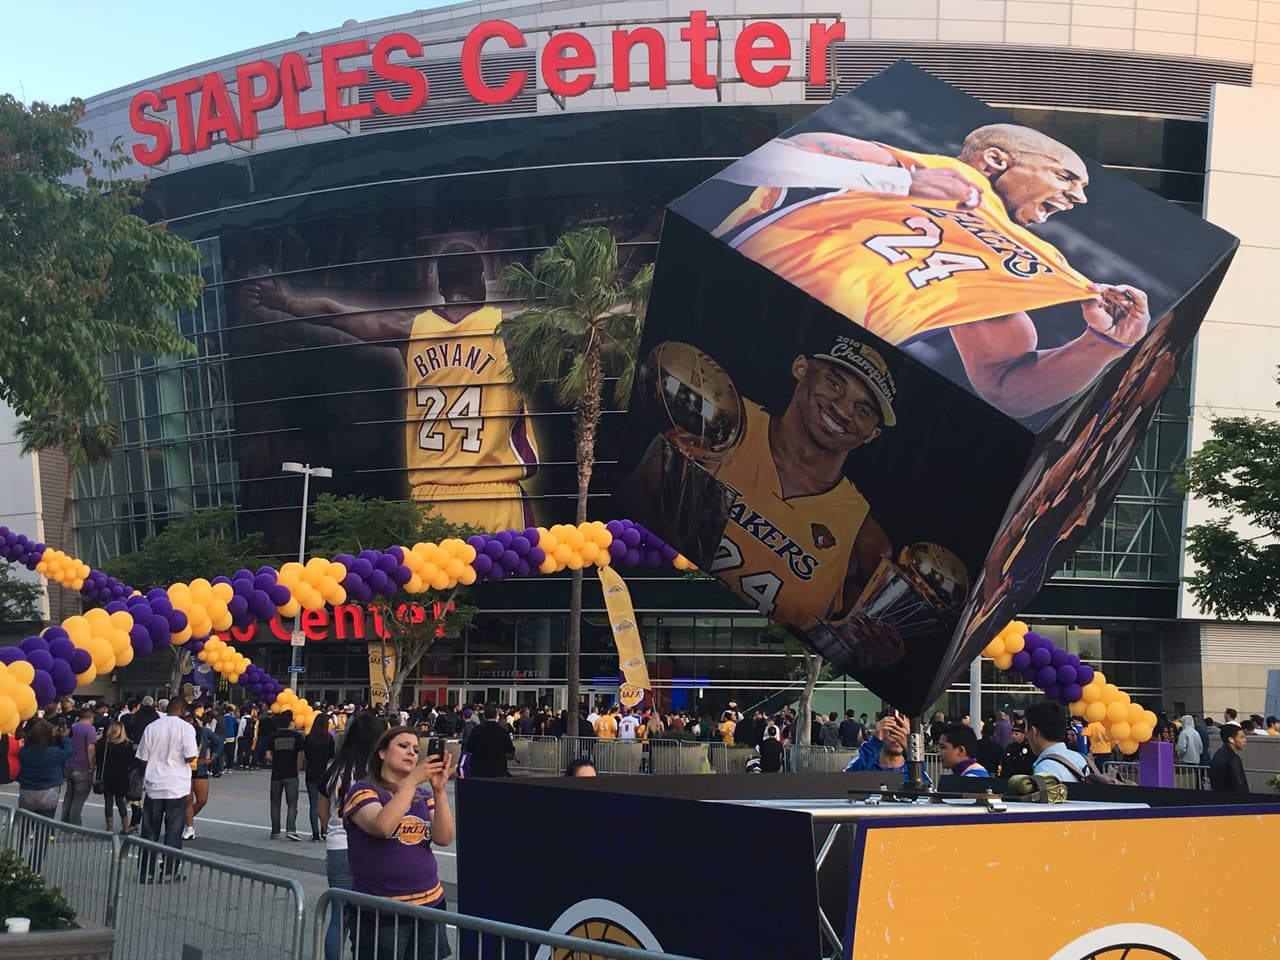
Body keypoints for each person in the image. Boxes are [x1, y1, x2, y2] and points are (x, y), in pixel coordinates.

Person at [708, 124, 1151, 421]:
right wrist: (900, 184)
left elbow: (1006, 388)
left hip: (804, 379)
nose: (1079, 198)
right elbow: (748, 164)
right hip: (728, 300)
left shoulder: (1026, 262)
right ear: (995, 161)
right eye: (1066, 178)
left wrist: (1102, 344)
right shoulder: (903, 166)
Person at [247, 243, 539, 532]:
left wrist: (284, 302)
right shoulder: (505, 327)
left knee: (439, 577)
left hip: (432, 499)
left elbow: (332, 312)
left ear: (439, 286)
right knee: (509, 575)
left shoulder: (409, 328)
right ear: (480, 282)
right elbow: (560, 320)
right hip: (493, 496)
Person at [626, 336, 895, 641]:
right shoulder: (719, 422)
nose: (844, 411)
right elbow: (629, 513)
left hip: (764, 663)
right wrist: (666, 470)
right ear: (800, 368)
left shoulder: (864, 537)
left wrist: (870, 652)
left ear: (872, 434)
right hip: (661, 632)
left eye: (863, 410)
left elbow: (840, 645)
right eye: (834, 384)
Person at [343, 726, 455, 958]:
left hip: (430, 904)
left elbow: (444, 837)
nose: (411, 753)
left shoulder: (422, 795)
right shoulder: (363, 790)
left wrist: (440, 791)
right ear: (382, 753)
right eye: (403, 746)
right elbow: (382, 826)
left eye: (415, 749)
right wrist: (411, 782)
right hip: (382, 911)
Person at [319, 712, 388, 960]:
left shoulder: (334, 766)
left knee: (338, 919)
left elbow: (322, 810)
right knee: (372, 917)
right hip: (367, 847)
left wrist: (332, 830)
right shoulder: (377, 770)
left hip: (337, 845)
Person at [135, 698, 199, 881]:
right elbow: (189, 756)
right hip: (177, 787)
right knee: (173, 831)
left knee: (149, 831)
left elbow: (142, 757)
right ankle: (170, 871)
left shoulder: (152, 727)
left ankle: (146, 872)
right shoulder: (187, 728)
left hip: (155, 785)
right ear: (181, 710)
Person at [844, 712, 929, 783]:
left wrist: (910, 749)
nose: (897, 737)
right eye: (892, 731)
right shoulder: (865, 762)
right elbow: (848, 782)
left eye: (902, 732)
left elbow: (924, 791)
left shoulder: (916, 770)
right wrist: (875, 742)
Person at [266, 709, 305, 841]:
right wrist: (297, 770)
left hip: (276, 774)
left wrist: (277, 759)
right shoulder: (297, 737)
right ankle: (291, 829)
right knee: (292, 804)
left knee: (275, 803)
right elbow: (300, 756)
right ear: (290, 722)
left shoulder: (273, 736)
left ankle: (275, 831)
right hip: (291, 774)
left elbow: (268, 756)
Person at [184, 709, 218, 840]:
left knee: (202, 800)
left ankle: (184, 818)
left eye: (189, 719)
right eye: (185, 719)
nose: (188, 722)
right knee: (188, 799)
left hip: (200, 769)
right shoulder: (180, 732)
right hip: (184, 768)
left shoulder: (203, 732)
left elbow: (219, 742)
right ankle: (189, 827)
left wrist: (212, 757)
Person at [1025, 700, 1080, 782]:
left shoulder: (1045, 769)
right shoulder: (1079, 758)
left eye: (1025, 727)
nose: (1025, 733)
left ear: (1034, 731)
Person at [97, 721, 135, 834]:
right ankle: (125, 827)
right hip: (122, 776)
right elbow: (131, 762)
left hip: (107, 775)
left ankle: (109, 827)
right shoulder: (128, 745)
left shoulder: (104, 744)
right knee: (120, 801)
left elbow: (99, 760)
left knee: (108, 802)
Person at [62, 707, 98, 825]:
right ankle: (75, 823)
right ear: (90, 718)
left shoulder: (72, 727)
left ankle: (64, 820)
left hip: (70, 764)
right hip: (83, 766)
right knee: (79, 798)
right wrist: (92, 765)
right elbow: (90, 748)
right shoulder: (90, 729)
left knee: (69, 795)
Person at [305, 713, 336, 842]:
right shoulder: (329, 739)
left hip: (311, 772)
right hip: (325, 773)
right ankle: (325, 831)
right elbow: (332, 755)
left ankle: (315, 833)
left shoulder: (309, 738)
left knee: (313, 804)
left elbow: (306, 755)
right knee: (326, 804)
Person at [466, 705, 515, 778]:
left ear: (484, 716)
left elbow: (469, 748)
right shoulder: (502, 731)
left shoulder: (476, 730)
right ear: (496, 716)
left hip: (479, 768)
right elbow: (509, 748)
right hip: (498, 768)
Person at [1208, 723, 1249, 794]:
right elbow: (1239, 784)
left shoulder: (1218, 754)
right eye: (1241, 737)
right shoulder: (1232, 758)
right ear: (1231, 739)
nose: (1245, 740)